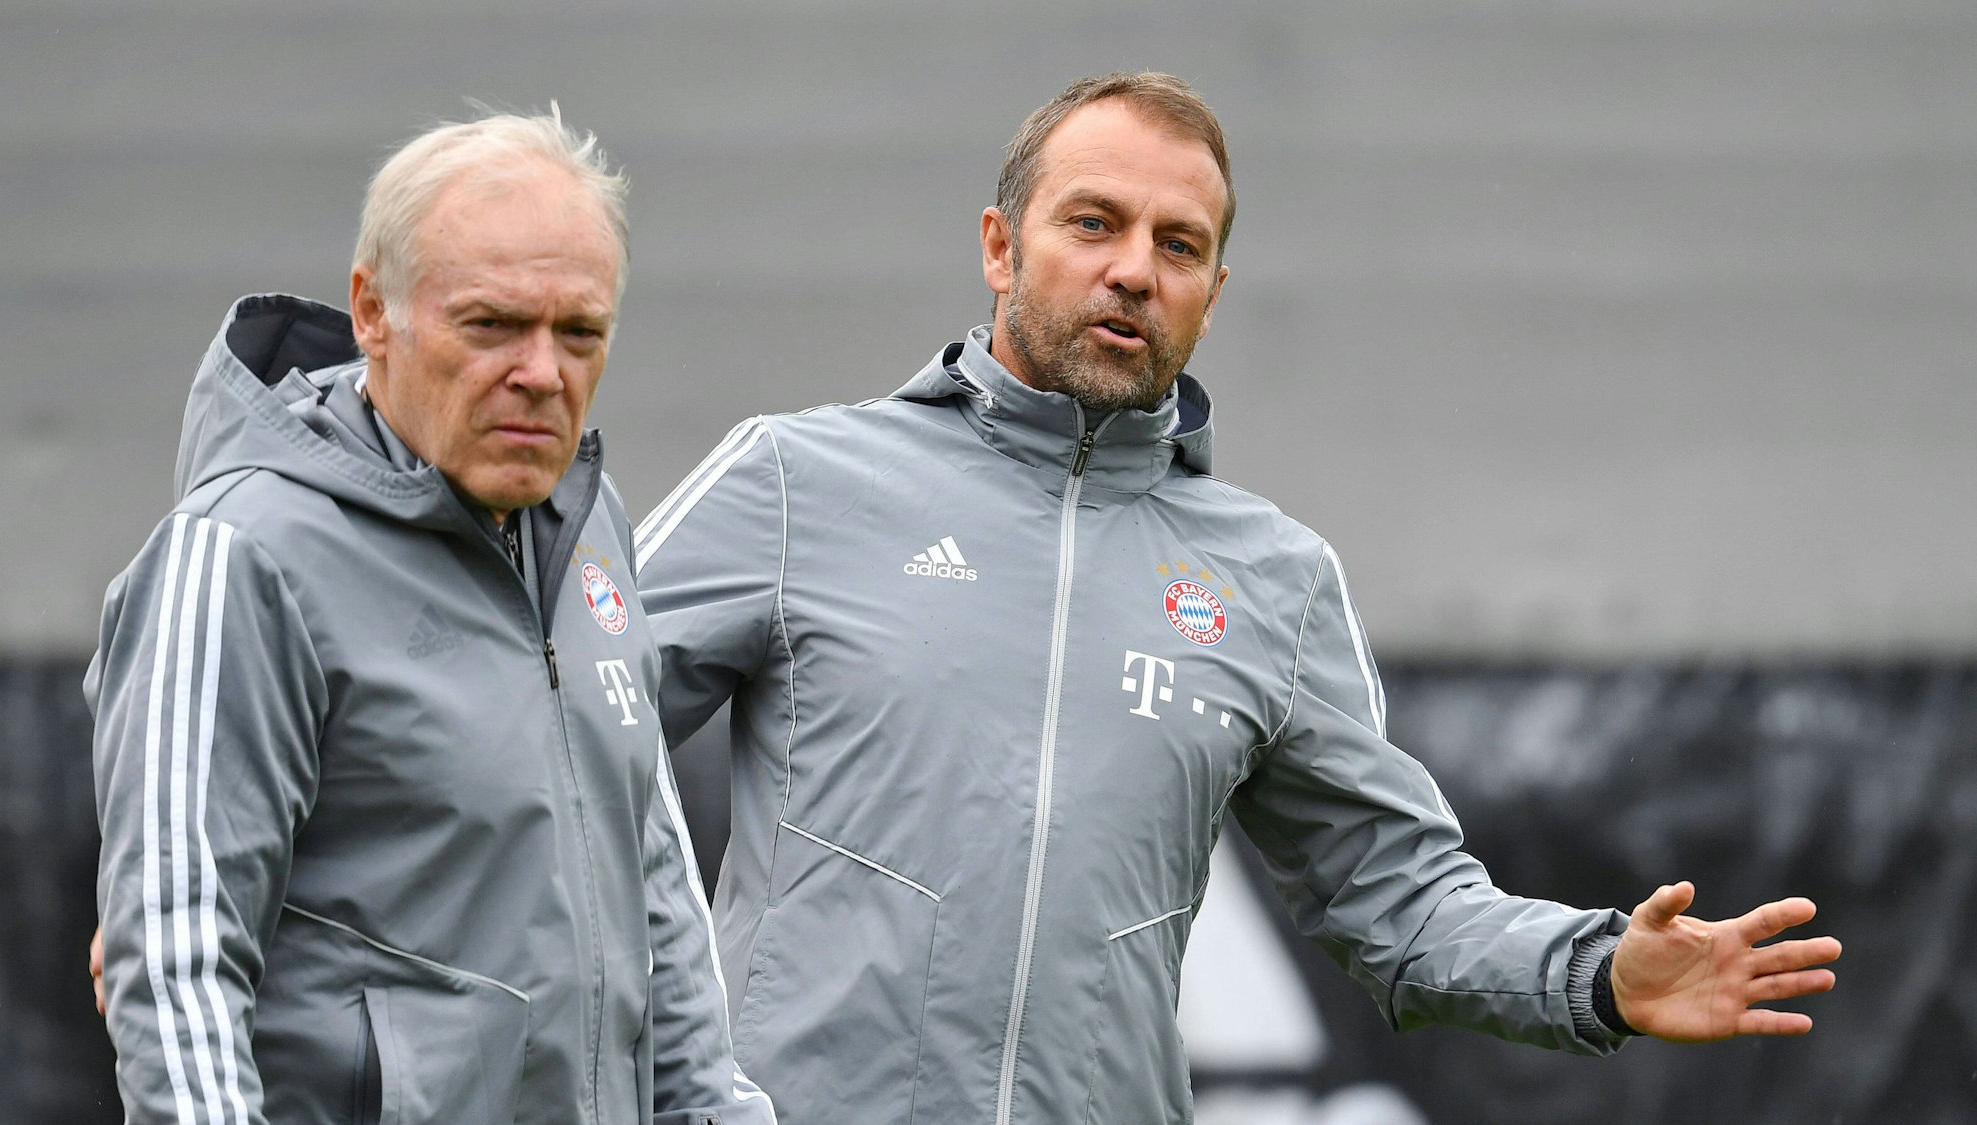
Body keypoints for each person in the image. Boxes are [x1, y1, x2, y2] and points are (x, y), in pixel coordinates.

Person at [627, 72, 1841, 1124]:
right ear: (999, 247)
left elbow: (1401, 903)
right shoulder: (794, 479)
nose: (1130, 272)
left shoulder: (1274, 580)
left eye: (1176, 244)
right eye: (1091, 223)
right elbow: (567, 737)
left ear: (1211, 289)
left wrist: (1591, 976)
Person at [86, 109, 772, 1124]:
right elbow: (176, 958)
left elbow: (653, 882)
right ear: (373, 311)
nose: (541, 373)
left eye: (578, 332)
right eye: (490, 324)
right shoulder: (239, 554)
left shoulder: (589, 524)